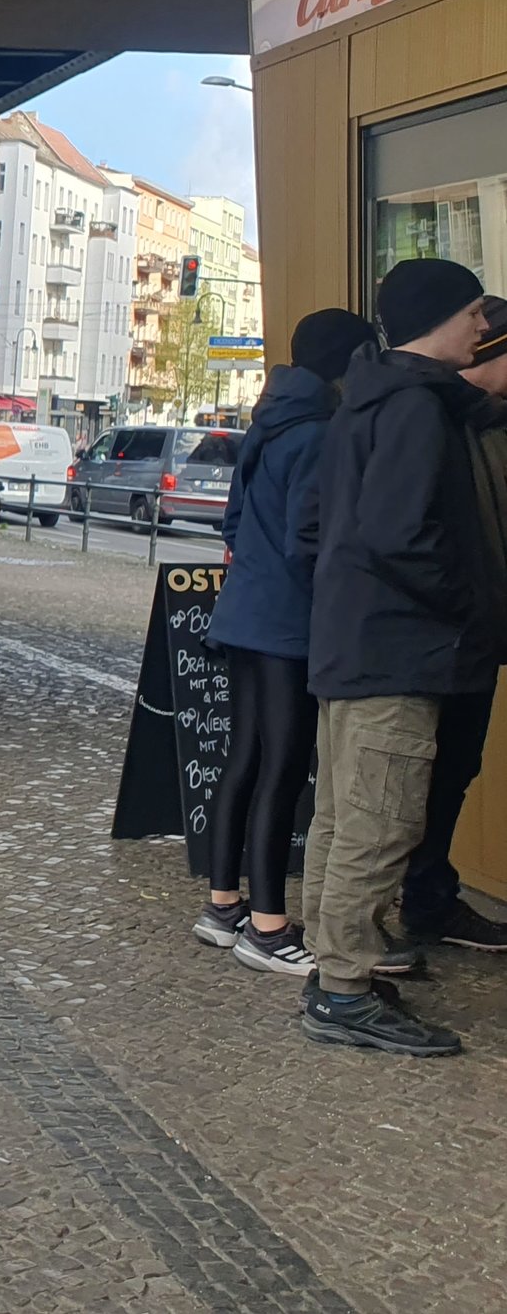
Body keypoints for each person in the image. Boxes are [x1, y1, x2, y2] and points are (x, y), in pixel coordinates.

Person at [296, 259, 497, 1056]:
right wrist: (466, 607)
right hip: (396, 650)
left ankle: (333, 970)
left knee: (344, 821)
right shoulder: (415, 409)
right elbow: (400, 537)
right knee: (378, 825)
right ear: (442, 316)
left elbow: (329, 527)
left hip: (353, 644)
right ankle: (343, 993)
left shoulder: (366, 399)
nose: (484, 328)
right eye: (477, 313)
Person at [196, 308, 374, 975]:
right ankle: (267, 928)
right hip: (286, 625)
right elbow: (311, 540)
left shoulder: (267, 419)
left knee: (242, 758)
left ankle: (222, 907)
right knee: (284, 767)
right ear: (347, 360)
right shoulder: (323, 433)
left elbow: (236, 523)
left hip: (242, 614)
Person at [395, 297, 507, 959]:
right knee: (414, 778)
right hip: (435, 632)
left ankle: (430, 897)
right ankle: (400, 908)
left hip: (479, 630)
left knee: (456, 768)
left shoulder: (488, 423)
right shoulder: (431, 418)